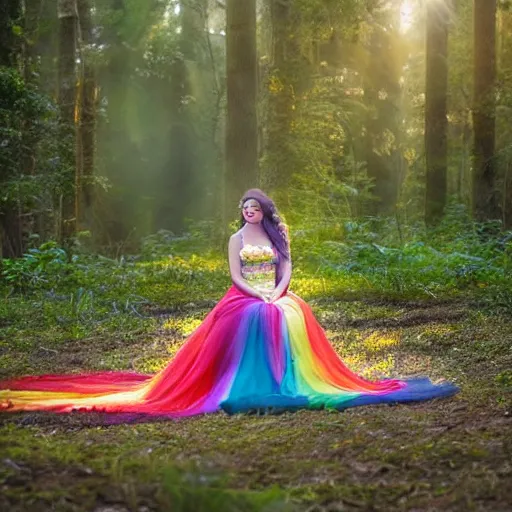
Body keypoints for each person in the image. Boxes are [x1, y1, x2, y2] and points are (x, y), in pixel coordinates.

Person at [0, 189, 458, 420]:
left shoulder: (277, 236)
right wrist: (257, 293)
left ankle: (291, 377)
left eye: (253, 208)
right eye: (243, 207)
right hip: (243, 295)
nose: (247, 213)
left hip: (273, 290)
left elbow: (286, 268)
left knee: (290, 310)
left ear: (265, 211)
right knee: (256, 313)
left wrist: (278, 291)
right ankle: (244, 381)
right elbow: (235, 275)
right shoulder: (236, 238)